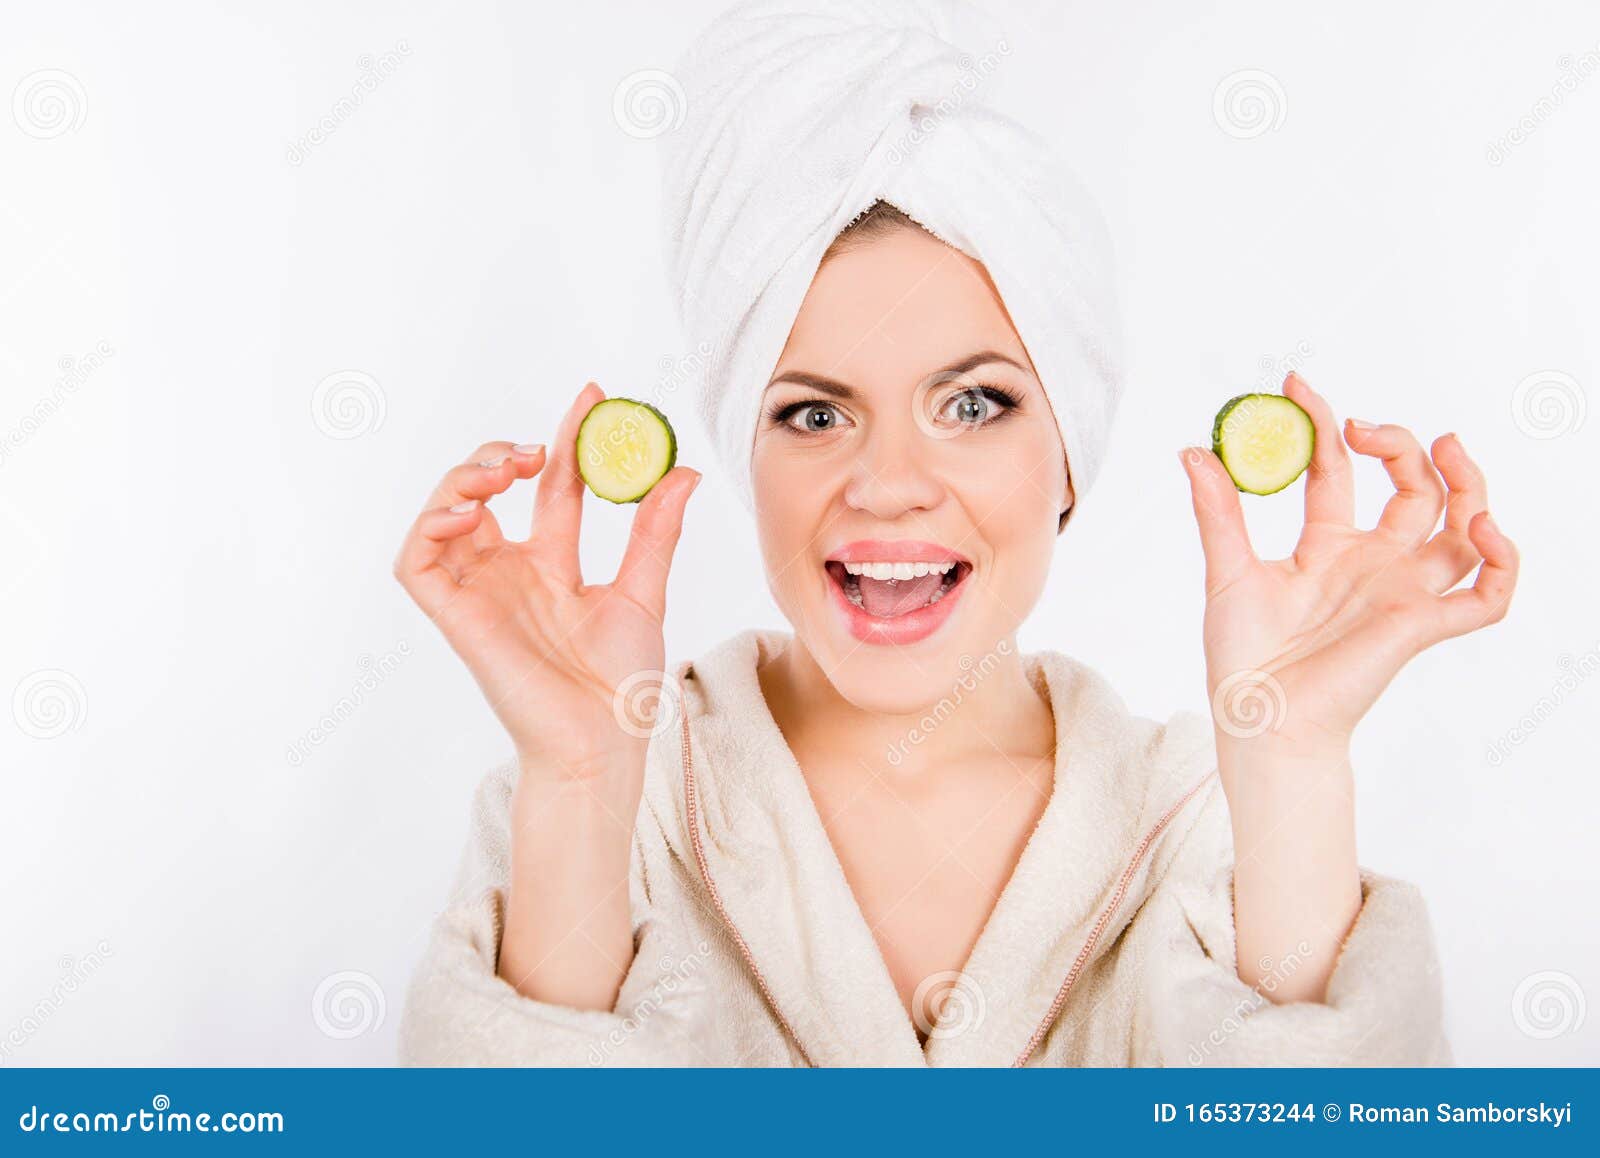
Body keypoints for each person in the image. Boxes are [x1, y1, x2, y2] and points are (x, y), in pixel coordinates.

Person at [389, 3, 1517, 1066]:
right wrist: (584, 778)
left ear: (1069, 449)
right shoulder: (606, 797)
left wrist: (1292, 761)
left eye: (973, 404)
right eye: (813, 413)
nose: (887, 486)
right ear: (745, 454)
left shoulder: (1201, 817)